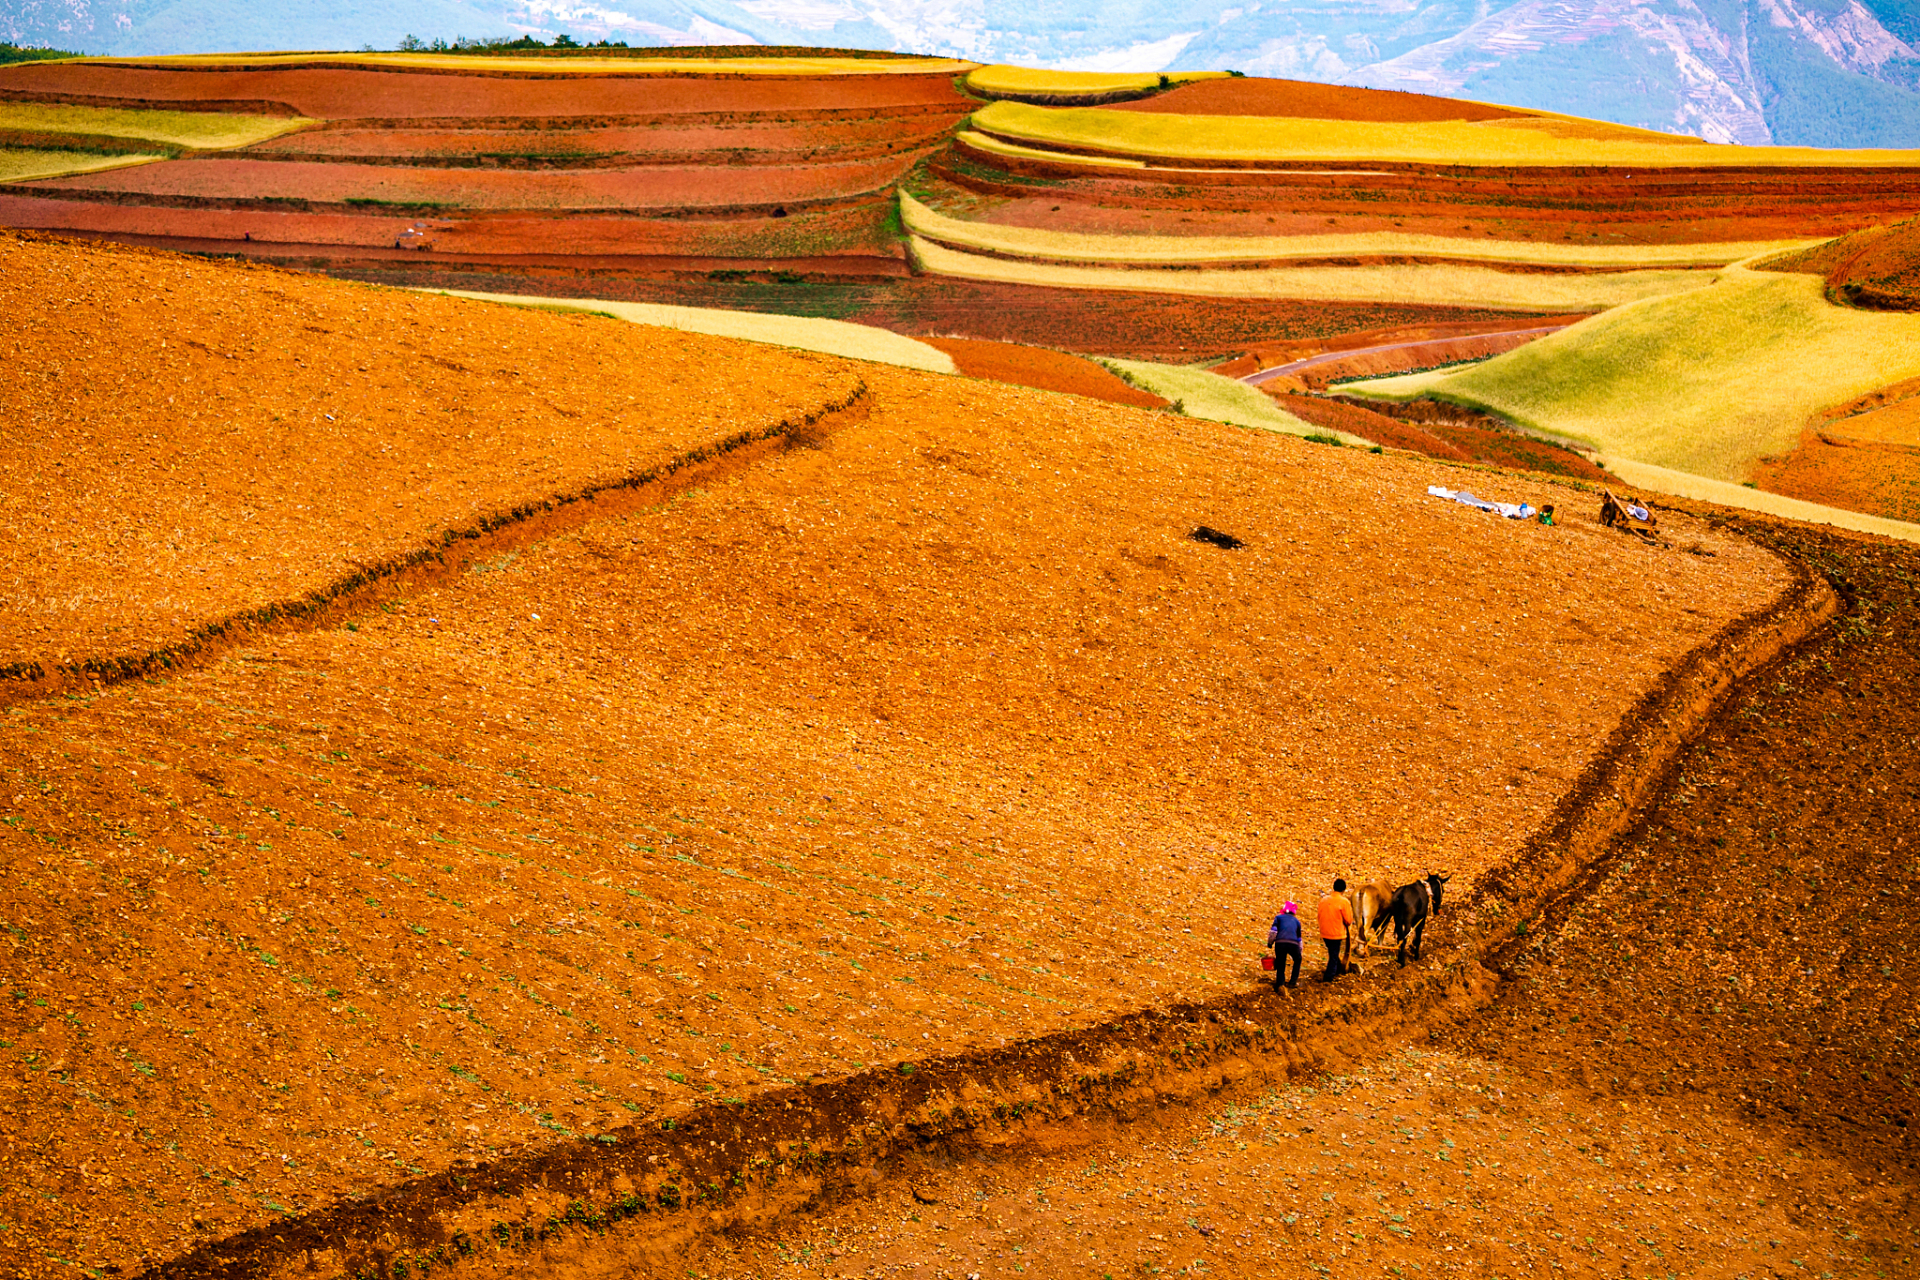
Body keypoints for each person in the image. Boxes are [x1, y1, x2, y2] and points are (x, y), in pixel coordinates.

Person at [1317, 879, 1355, 982]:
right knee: (1333, 956)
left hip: (1324, 932)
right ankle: (1328, 978)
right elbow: (1348, 920)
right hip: (1336, 933)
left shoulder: (1323, 900)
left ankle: (1339, 969)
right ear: (1343, 890)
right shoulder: (1344, 902)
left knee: (1333, 952)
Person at [1268, 901, 1303, 991]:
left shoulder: (1278, 918)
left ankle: (1280, 984)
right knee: (1298, 959)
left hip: (1280, 943)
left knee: (1280, 963)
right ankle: (1293, 981)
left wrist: (1270, 943)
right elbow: (1299, 939)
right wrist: (1299, 951)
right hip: (1293, 943)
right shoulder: (1297, 921)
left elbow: (1274, 931)